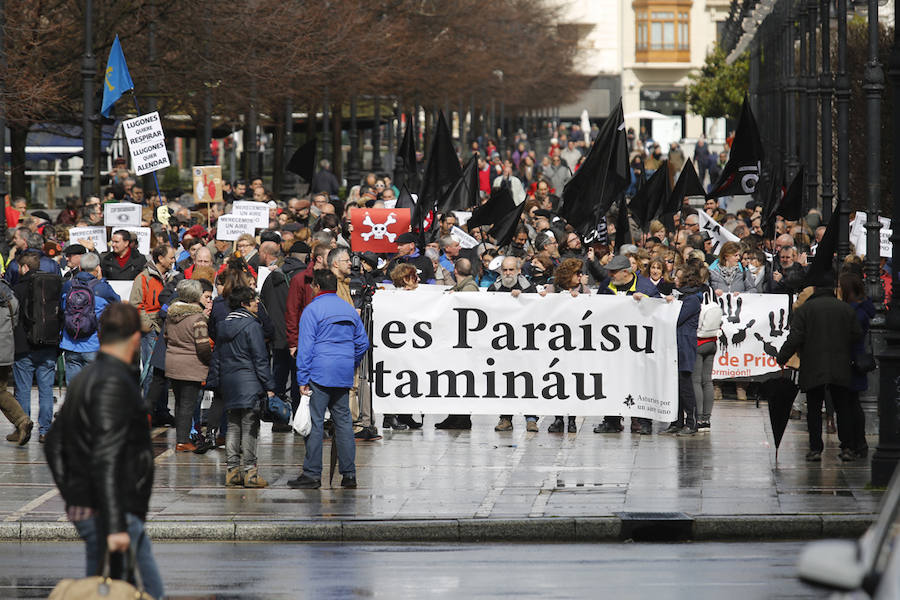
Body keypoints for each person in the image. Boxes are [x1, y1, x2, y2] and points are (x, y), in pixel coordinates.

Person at [44, 303, 164, 599]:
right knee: (144, 591)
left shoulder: (88, 376)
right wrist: (114, 525)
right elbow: (107, 458)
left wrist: (73, 492)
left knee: (106, 589)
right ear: (136, 339)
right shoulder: (113, 382)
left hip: (100, 506)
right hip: (115, 510)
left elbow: (54, 442)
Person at [288, 270, 369, 490]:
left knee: (315, 422)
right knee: (343, 424)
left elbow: (305, 348)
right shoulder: (348, 309)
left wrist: (302, 377)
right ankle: (349, 474)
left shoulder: (312, 309)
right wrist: (349, 362)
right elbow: (363, 342)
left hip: (319, 371)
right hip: (342, 372)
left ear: (315, 287)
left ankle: (312, 474)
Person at [776, 275, 862, 462]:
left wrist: (781, 357)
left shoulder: (806, 310)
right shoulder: (845, 309)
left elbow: (795, 337)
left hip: (813, 365)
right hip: (840, 364)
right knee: (842, 406)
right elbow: (856, 334)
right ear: (833, 288)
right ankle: (847, 446)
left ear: (814, 289)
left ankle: (815, 448)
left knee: (814, 407)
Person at [206, 286, 275, 488]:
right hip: (249, 383)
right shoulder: (252, 326)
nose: (257, 303)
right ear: (244, 304)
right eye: (254, 300)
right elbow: (260, 359)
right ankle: (250, 472)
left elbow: (217, 357)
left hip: (229, 383)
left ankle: (232, 471)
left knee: (233, 426)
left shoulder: (223, 326)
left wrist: (214, 382)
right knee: (250, 426)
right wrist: (269, 385)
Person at [594, 254, 661, 435]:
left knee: (639, 382)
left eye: (614, 272)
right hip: (612, 345)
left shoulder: (645, 287)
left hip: (637, 345)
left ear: (626, 272)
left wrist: (646, 301)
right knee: (611, 381)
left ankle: (641, 421)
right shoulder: (606, 286)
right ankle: (611, 420)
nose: (610, 275)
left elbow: (659, 310)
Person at [12, 253, 60, 443]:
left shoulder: (17, 289)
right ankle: (45, 430)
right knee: (46, 390)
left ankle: (23, 427)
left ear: (24, 268)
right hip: (48, 345)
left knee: (23, 390)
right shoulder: (52, 285)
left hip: (23, 346)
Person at [489, 257, 539, 432]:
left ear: (518, 271)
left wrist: (523, 298)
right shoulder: (494, 287)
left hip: (525, 343)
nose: (508, 273)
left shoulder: (528, 287)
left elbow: (537, 309)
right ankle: (505, 418)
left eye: (511, 270)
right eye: (505, 270)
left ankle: (531, 419)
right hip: (502, 344)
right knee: (505, 382)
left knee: (527, 381)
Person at [164, 279, 213, 452]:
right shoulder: (198, 318)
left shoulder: (171, 315)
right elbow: (203, 346)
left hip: (172, 362)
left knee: (178, 403)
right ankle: (183, 441)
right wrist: (210, 361)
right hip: (191, 365)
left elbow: (165, 337)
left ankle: (180, 438)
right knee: (187, 404)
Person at [60, 252, 121, 384]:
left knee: (73, 389)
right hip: (93, 344)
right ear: (98, 268)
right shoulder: (103, 288)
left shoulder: (68, 286)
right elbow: (118, 304)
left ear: (80, 268)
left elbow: (61, 307)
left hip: (70, 342)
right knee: (93, 389)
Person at [838, 272, 874, 461]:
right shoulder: (863, 308)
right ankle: (858, 443)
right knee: (853, 403)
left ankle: (854, 443)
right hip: (855, 360)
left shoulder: (853, 311)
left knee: (849, 404)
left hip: (850, 361)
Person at [0, 276, 32, 445]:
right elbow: (15, 320)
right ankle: (22, 422)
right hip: (6, 349)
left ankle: (22, 420)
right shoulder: (10, 295)